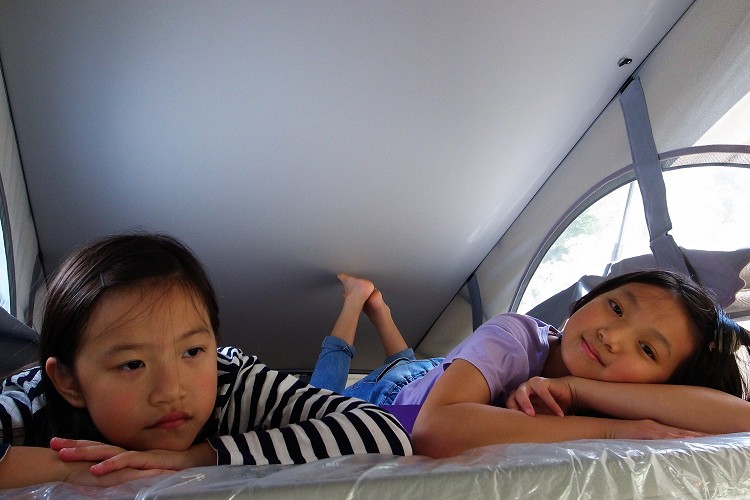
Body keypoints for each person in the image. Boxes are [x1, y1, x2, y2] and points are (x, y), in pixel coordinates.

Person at [0, 234, 412, 490]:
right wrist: (72, 472)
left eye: (192, 352)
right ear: (69, 381)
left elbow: (385, 432)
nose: (171, 390)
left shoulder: (232, 382)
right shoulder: (32, 402)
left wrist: (197, 458)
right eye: (132, 364)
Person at [310, 272, 750, 458]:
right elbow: (435, 428)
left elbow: (743, 421)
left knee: (413, 364)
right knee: (319, 396)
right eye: (616, 307)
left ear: (665, 385)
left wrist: (578, 390)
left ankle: (380, 311)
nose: (612, 337)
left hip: (436, 377)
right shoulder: (516, 333)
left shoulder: (617, 395)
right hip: (392, 402)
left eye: (648, 350)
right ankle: (357, 301)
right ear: (592, 298)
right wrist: (612, 431)